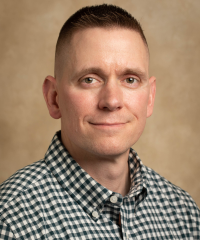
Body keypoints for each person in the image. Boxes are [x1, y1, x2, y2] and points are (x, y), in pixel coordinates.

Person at [0, 4, 199, 239]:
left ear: (150, 97)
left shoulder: (184, 215)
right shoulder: (13, 219)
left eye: (131, 79)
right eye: (90, 79)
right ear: (54, 98)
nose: (112, 101)